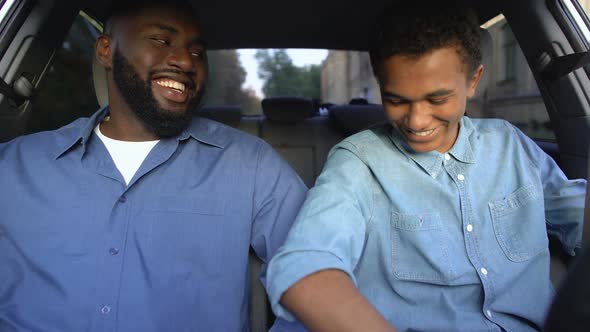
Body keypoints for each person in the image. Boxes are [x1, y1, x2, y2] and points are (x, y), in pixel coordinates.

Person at [266, 4, 587, 332]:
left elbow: (577, 214)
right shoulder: (358, 162)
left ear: (473, 81)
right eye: (396, 100)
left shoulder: (510, 145)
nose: (417, 121)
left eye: (437, 99)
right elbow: (303, 267)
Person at [0, 0, 307, 331]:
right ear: (105, 50)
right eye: (162, 41)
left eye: (198, 53)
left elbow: (322, 271)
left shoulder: (250, 165)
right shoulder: (14, 166)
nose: (187, 61)